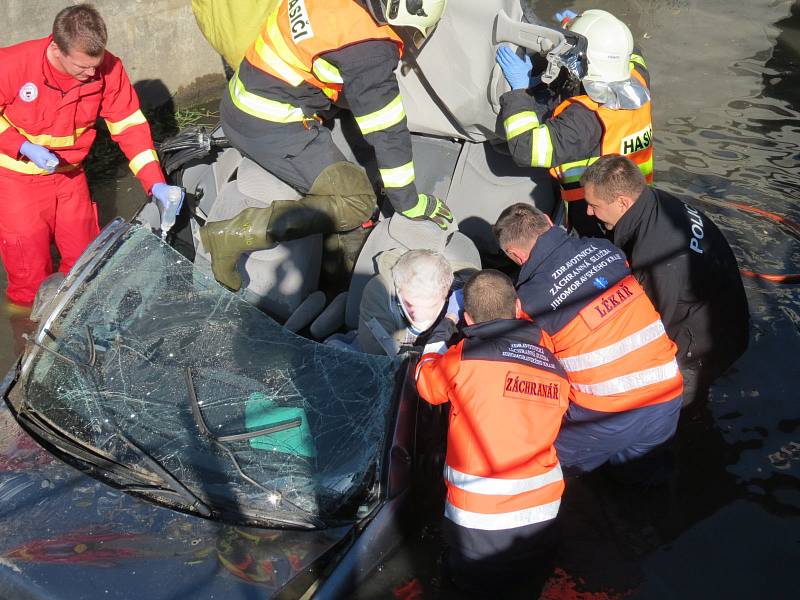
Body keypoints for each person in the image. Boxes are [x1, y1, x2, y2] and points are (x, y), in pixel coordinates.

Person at [198, 0, 452, 292]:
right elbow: (388, 133)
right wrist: (409, 202)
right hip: (271, 125)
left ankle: (334, 268)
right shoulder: (369, 49)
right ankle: (232, 235)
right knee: (358, 200)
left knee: (341, 187)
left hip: (241, 101)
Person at [0, 3, 181, 307]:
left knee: (86, 266)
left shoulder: (107, 68)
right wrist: (20, 145)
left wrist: (155, 183)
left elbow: (129, 126)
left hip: (70, 175)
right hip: (18, 179)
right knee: (28, 279)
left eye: (96, 65)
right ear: (56, 49)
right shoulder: (12, 64)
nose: (92, 73)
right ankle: (27, 343)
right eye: (82, 67)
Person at [493, 203, 683, 474]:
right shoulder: (607, 250)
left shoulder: (528, 300)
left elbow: (533, 364)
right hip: (667, 392)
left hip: (604, 416)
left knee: (549, 467)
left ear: (514, 254)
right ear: (548, 219)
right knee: (645, 479)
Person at [415, 269, 570, 592]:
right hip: (543, 516)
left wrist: (439, 335)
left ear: (468, 320)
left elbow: (427, 385)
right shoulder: (554, 366)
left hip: (478, 524)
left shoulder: (464, 359)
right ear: (516, 308)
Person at [581, 155, 750, 407]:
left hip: (704, 346)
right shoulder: (656, 200)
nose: (588, 212)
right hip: (726, 313)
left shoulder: (655, 257)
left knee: (669, 411)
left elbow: (652, 328)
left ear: (622, 202)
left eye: (594, 205)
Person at [495, 9, 653, 236]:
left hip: (596, 216)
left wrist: (519, 91)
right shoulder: (637, 78)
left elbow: (526, 149)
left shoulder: (584, 120)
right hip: (638, 200)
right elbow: (633, 51)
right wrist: (578, 27)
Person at [358, 248, 473, 356]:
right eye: (409, 304)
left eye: (431, 306)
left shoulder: (467, 293)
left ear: (446, 294)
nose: (419, 316)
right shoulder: (380, 292)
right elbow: (378, 356)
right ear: (398, 290)